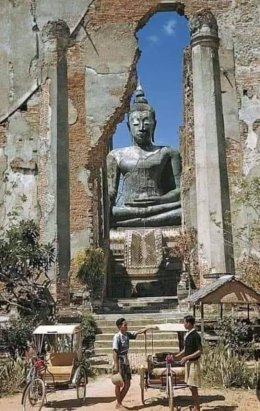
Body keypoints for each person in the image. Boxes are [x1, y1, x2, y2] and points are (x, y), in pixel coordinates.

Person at [107, 83, 182, 227]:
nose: (141, 127)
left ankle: (144, 219)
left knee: (181, 212)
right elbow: (111, 191)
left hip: (160, 208)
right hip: (128, 210)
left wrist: (160, 201)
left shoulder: (168, 152)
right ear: (129, 126)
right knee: (108, 214)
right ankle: (141, 219)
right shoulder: (116, 155)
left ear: (155, 125)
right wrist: (105, 203)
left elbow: (178, 190)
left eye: (146, 122)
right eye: (136, 123)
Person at [112, 317, 156, 410]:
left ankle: (119, 403)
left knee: (127, 384)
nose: (126, 326)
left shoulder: (127, 334)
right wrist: (116, 365)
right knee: (118, 383)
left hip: (126, 360)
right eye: (125, 324)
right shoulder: (117, 336)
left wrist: (145, 329)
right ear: (120, 326)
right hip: (119, 360)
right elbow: (115, 351)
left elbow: (136, 332)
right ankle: (119, 404)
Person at [173, 315, 202, 411]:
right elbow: (186, 349)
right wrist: (177, 356)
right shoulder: (188, 335)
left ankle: (197, 407)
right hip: (189, 363)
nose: (183, 324)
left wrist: (186, 357)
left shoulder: (195, 335)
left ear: (189, 323)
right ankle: (195, 406)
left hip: (193, 363)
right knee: (190, 386)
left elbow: (200, 351)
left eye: (184, 322)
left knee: (193, 386)